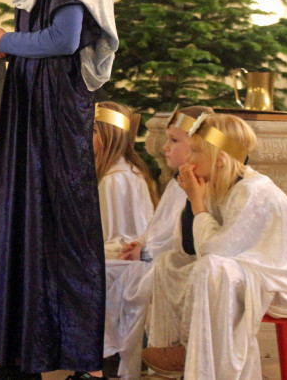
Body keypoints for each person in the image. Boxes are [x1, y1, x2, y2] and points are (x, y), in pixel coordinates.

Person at [0, 0, 118, 380]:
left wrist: (5, 38)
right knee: (24, 218)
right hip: (31, 97)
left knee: (60, 221)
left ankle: (76, 356)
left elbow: (64, 39)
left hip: (57, 103)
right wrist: (9, 45)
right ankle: (23, 355)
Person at [142, 114, 287, 379]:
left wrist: (197, 202)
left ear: (220, 159)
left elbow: (217, 250)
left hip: (279, 277)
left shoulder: (253, 191)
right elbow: (189, 248)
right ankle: (181, 346)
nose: (188, 160)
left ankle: (208, 359)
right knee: (169, 262)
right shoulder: (217, 184)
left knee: (213, 268)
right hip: (243, 267)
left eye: (195, 151)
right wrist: (194, 199)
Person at [103, 105, 212, 379]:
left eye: (175, 141)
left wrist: (145, 250)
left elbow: (189, 240)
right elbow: (158, 227)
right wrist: (140, 243)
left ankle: (117, 355)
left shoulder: (201, 185)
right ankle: (108, 353)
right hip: (155, 256)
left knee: (107, 274)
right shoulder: (179, 182)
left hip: (179, 264)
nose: (165, 148)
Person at [93, 102, 158, 259]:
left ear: (110, 137)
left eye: (93, 131)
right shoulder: (124, 171)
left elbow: (115, 244)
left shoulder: (113, 180)